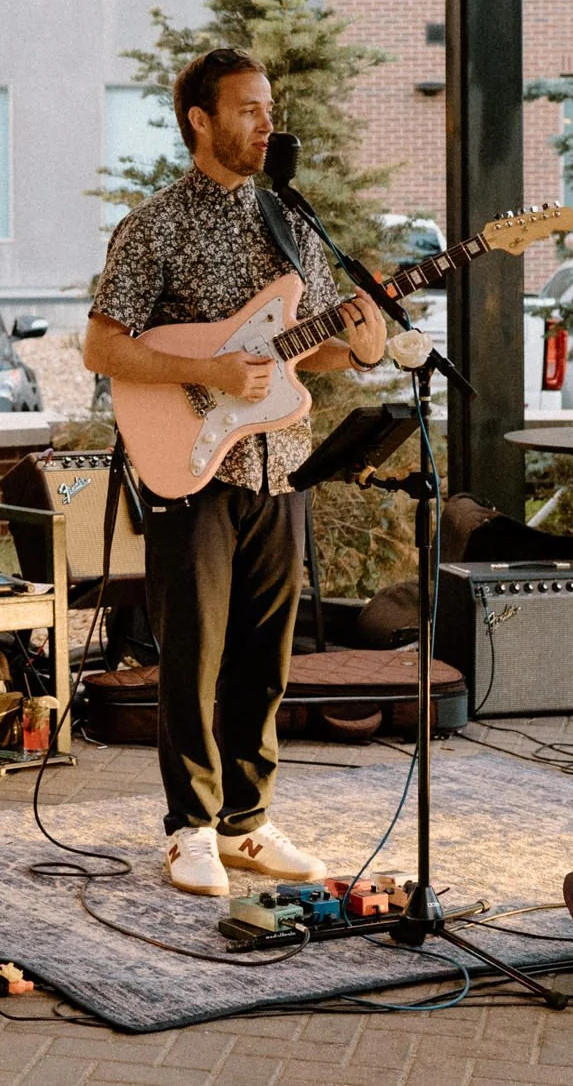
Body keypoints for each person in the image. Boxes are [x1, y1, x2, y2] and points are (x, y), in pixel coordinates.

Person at [84, 48, 388, 897]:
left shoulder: (289, 219)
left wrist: (360, 343)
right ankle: (190, 827)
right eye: (249, 109)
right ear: (201, 121)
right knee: (193, 653)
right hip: (187, 463)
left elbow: (314, 348)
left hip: (279, 462)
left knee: (265, 659)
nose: (267, 123)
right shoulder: (155, 226)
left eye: (269, 107)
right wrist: (214, 374)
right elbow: (102, 344)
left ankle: (247, 821)